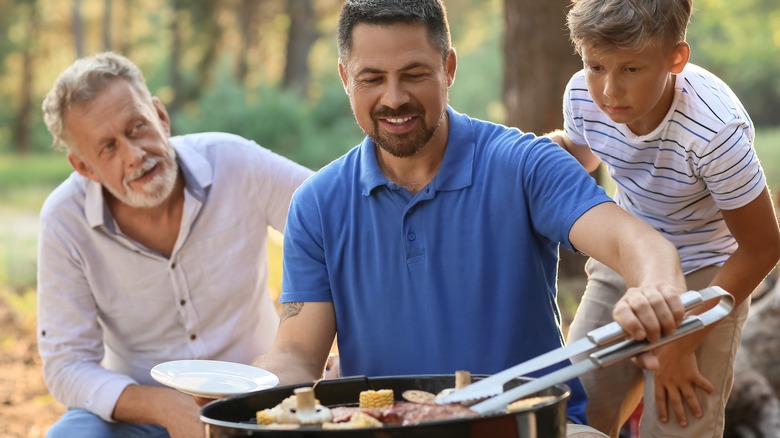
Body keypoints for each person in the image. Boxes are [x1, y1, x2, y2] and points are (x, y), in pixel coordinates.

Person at [253, 1, 694, 436]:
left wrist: (657, 286)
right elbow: (296, 352)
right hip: (383, 428)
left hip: (530, 427)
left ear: (448, 68)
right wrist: (243, 391)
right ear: (346, 78)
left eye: (414, 74)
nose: (394, 98)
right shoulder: (317, 203)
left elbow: (634, 243)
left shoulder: (524, 164)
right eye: (372, 78)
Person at [37, 52, 312, 437]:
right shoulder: (64, 220)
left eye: (137, 127)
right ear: (84, 167)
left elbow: (337, 226)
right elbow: (66, 365)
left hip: (267, 399)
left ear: (160, 117)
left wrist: (317, 352)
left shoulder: (236, 162)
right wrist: (165, 407)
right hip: (142, 417)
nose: (135, 155)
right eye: (108, 148)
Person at [547, 0, 780, 436]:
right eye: (596, 65)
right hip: (627, 261)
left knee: (676, 421)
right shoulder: (583, 93)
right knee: (574, 408)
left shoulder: (715, 132)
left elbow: (763, 246)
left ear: (676, 58)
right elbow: (582, 155)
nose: (609, 91)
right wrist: (533, 155)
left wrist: (683, 339)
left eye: (631, 70)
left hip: (709, 275)